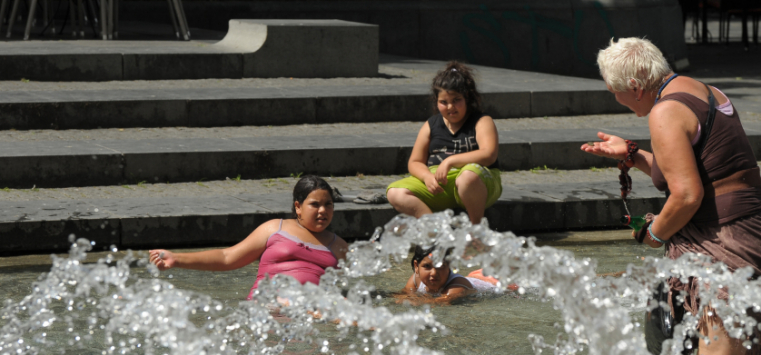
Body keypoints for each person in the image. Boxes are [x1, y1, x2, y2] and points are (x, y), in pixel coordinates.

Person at [581, 37, 761, 355]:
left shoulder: (664, 111)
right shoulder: (700, 91)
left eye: (615, 89)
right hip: (760, 229)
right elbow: (699, 169)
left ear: (637, 84)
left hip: (728, 239)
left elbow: (686, 196)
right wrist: (634, 154)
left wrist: (654, 232)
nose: (615, 97)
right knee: (744, 347)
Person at [149, 175, 349, 300]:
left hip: (311, 311)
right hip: (270, 303)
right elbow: (227, 257)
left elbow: (347, 282)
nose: (323, 210)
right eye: (315, 204)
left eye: (328, 204)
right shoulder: (274, 229)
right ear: (298, 206)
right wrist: (177, 259)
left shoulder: (338, 245)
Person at [386, 61, 502, 225]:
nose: (450, 107)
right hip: (441, 186)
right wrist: (427, 177)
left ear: (467, 98)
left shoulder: (482, 120)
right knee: (395, 192)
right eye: (444, 102)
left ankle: (475, 233)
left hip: (478, 183)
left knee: (468, 177)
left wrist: (450, 161)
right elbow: (415, 161)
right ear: (436, 101)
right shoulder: (431, 124)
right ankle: (436, 231)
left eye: (456, 100)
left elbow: (488, 154)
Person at [397, 245, 503, 305]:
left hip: (497, 282)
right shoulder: (416, 279)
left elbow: (438, 303)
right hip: (475, 276)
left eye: (440, 266)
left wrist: (411, 301)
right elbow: (403, 295)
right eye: (427, 266)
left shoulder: (457, 286)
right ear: (416, 266)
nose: (434, 273)